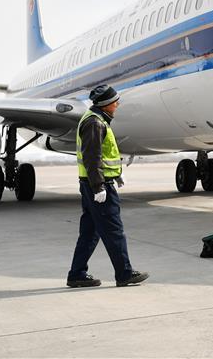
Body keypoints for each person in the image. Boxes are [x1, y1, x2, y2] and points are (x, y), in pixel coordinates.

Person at [67, 84, 149, 288]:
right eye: (115, 102)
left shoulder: (98, 120)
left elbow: (103, 156)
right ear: (106, 104)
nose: (118, 104)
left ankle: (76, 274)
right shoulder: (95, 123)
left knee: (90, 231)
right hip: (98, 186)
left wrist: (117, 174)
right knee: (114, 230)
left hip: (94, 183)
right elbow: (92, 159)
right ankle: (124, 274)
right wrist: (98, 187)